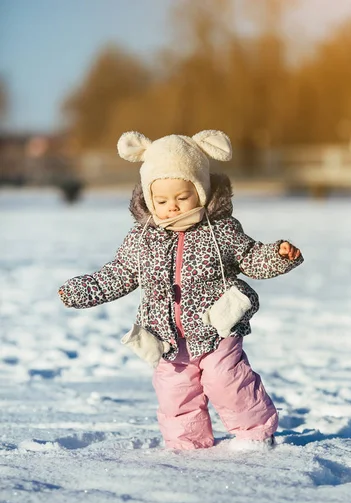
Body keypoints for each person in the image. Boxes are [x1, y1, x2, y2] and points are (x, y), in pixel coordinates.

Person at [58, 130, 304, 450]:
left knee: (225, 380)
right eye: (161, 200)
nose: (171, 207)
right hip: (166, 335)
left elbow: (251, 257)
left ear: (200, 192)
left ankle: (255, 434)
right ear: (148, 198)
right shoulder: (142, 237)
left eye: (181, 197)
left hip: (216, 325)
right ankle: (187, 447)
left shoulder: (221, 230)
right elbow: (119, 272)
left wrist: (277, 256)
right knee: (175, 390)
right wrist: (85, 289)